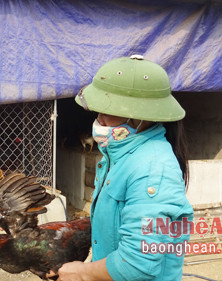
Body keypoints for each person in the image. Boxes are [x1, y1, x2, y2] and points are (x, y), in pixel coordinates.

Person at [53, 55, 194, 280]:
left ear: (138, 115)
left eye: (107, 109)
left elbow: (138, 264)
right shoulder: (118, 154)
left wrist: (82, 273)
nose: (98, 119)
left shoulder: (153, 169)